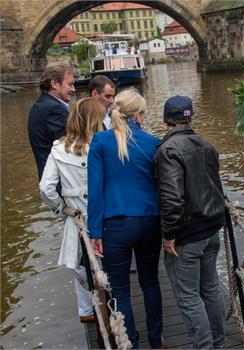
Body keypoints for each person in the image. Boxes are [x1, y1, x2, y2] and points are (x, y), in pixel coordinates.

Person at [87, 89, 164, 349]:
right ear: (139, 114)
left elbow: (95, 191)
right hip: (148, 221)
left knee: (120, 290)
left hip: (114, 225)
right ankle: (156, 339)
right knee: (150, 281)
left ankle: (130, 341)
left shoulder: (100, 142)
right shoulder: (154, 142)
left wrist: (94, 231)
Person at [153, 95, 226, 349]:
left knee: (188, 298)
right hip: (211, 231)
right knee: (211, 289)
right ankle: (218, 343)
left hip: (187, 236)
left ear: (165, 120)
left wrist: (169, 234)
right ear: (190, 117)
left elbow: (172, 198)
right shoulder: (206, 145)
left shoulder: (168, 150)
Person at [39, 98, 106, 322]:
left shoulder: (58, 149)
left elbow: (46, 188)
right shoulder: (103, 144)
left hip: (76, 215)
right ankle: (108, 304)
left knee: (79, 262)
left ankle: (87, 311)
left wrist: (60, 208)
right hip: (103, 214)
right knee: (104, 262)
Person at [28, 62, 76, 180]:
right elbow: (69, 147)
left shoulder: (40, 104)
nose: (73, 89)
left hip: (47, 178)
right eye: (70, 84)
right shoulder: (55, 109)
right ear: (54, 84)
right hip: (60, 180)